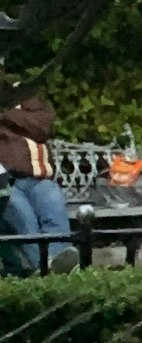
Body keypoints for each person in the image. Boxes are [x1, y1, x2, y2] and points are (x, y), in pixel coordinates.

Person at [0, 94, 73, 274]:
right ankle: (44, 267)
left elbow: (42, 127)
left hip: (39, 180)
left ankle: (59, 262)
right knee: (25, 220)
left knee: (53, 207)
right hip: (7, 184)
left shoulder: (34, 104)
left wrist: (7, 116)